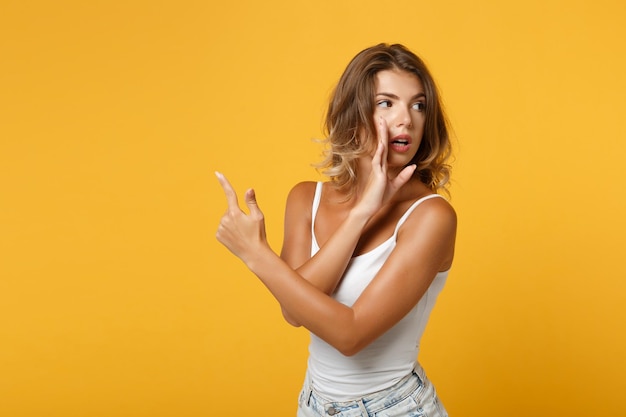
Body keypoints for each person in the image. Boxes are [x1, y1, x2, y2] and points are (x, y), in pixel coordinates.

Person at [215, 43, 456, 417]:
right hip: (313, 404)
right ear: (353, 114)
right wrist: (362, 213)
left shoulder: (431, 216)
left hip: (396, 409)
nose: (406, 119)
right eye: (387, 103)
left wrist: (255, 254)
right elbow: (294, 311)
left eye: (418, 105)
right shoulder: (304, 199)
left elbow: (350, 335)